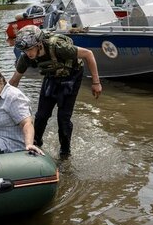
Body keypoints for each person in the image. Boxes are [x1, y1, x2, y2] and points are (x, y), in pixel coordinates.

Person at [9, 25, 102, 157]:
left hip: (72, 76)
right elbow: (14, 81)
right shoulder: (25, 58)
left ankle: (65, 153)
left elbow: (88, 54)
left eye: (30, 49)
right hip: (52, 76)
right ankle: (35, 144)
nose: (28, 53)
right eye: (25, 50)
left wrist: (96, 82)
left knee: (63, 118)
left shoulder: (59, 47)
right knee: (41, 116)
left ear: (39, 44)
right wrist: (2, 99)